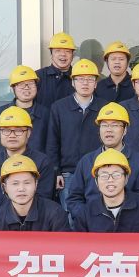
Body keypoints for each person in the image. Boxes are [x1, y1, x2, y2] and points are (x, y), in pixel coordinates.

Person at [63, 102, 139, 227]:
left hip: (129, 227)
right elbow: (74, 198)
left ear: (125, 130)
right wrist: (88, 218)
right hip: (92, 227)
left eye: (115, 125)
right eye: (104, 125)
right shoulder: (86, 161)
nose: (109, 130)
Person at [0, 106, 55, 226]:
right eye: (6, 130)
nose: (12, 135)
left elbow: (43, 199)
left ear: (28, 133)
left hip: (33, 226)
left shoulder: (42, 162)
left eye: (19, 130)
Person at [41, 58, 103, 191]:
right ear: (73, 82)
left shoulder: (105, 108)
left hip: (99, 172)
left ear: (95, 84)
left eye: (90, 79)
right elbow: (52, 143)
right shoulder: (59, 107)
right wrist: (56, 171)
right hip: (68, 174)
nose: (85, 83)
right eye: (80, 79)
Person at [77, 149, 139, 233]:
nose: (110, 180)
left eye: (116, 175)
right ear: (96, 181)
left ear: (126, 178)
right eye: (104, 176)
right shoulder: (85, 213)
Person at [0, 155, 70, 232]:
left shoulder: (55, 214)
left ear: (36, 184)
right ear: (4, 187)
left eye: (27, 182)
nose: (21, 188)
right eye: (15, 183)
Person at [0, 64, 41, 155]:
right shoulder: (0, 114)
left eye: (31, 83)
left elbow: (52, 145)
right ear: (13, 88)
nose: (26, 87)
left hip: (38, 163)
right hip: (7, 163)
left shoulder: (46, 114)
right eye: (21, 84)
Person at [35, 31, 78, 108]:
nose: (63, 54)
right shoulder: (38, 77)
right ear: (51, 54)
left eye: (67, 51)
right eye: (58, 51)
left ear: (72, 55)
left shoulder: (79, 77)